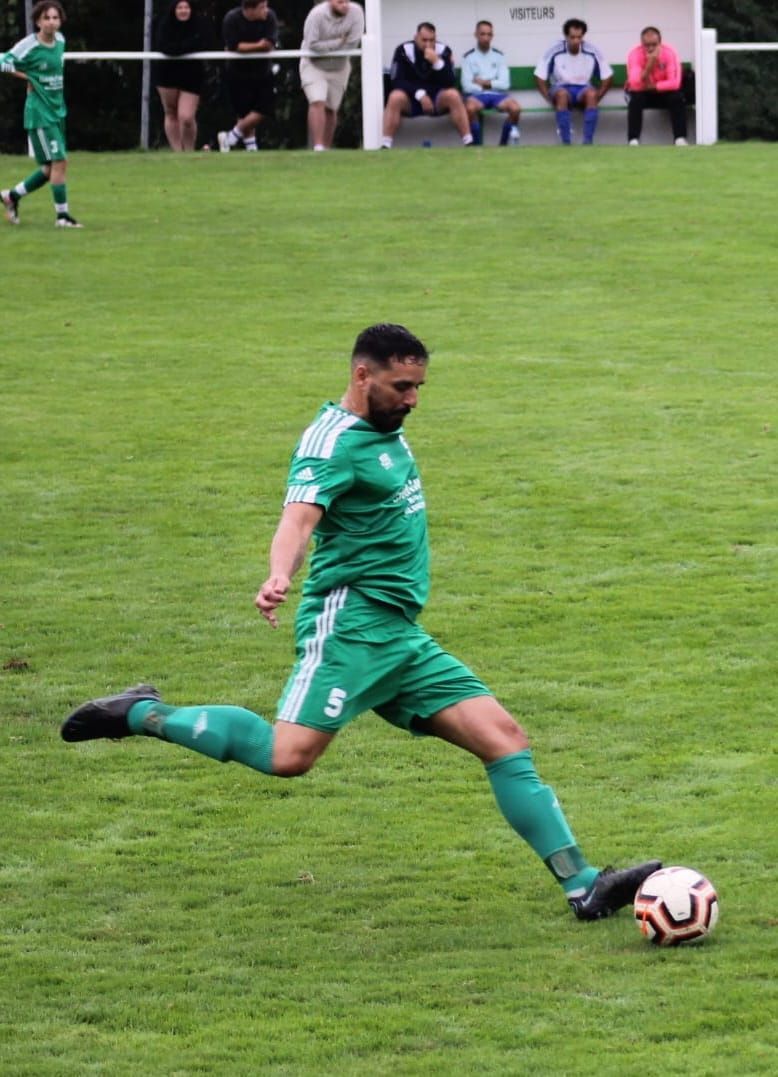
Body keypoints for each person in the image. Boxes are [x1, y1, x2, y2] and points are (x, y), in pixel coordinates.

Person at [62, 322, 661, 923]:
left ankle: (582, 885)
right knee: (288, 756)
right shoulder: (330, 443)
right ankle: (140, 713)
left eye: (419, 386)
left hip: (399, 634)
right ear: (362, 375)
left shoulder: (385, 428)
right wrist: (279, 576)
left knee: (504, 740)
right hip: (350, 626)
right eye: (402, 386)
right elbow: (298, 519)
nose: (413, 400)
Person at [1, 2, 81, 227]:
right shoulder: (29, 46)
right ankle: (63, 217)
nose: (51, 22)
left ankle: (11, 196)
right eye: (46, 18)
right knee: (60, 161)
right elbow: (2, 62)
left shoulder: (61, 40)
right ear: (38, 21)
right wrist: (26, 77)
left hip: (57, 110)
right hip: (39, 112)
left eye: (55, 18)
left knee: (49, 169)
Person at [381, 23, 473, 149]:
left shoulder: (443, 51)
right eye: (424, 40)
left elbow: (450, 82)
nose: (428, 44)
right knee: (395, 97)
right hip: (411, 98)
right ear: (416, 37)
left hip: (437, 98)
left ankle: (468, 142)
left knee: (453, 95)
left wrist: (437, 63)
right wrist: (420, 94)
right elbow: (397, 81)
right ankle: (386, 144)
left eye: (432, 40)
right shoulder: (403, 50)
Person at [534, 17, 612, 145]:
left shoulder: (592, 50)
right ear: (565, 36)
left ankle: (588, 142)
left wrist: (597, 97)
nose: (576, 41)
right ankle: (566, 143)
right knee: (562, 95)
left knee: (592, 94)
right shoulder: (555, 50)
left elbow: (607, 76)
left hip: (583, 89)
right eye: (572, 37)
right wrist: (548, 98)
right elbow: (539, 76)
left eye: (579, 37)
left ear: (583, 36)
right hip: (561, 88)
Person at [299, 0, 365, 152]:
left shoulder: (356, 13)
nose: (344, 4)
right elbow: (313, 45)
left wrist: (330, 46)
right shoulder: (317, 15)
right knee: (317, 101)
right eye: (339, 1)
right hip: (313, 65)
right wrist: (338, 42)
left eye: (346, 1)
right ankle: (318, 147)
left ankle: (326, 150)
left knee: (331, 109)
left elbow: (352, 44)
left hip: (339, 67)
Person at [218, 0, 278, 152]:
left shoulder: (270, 17)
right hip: (238, 72)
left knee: (265, 108)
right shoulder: (232, 19)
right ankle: (251, 148)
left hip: (263, 71)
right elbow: (234, 46)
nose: (266, 10)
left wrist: (246, 47)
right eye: (262, 7)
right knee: (244, 112)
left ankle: (230, 137)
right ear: (250, 10)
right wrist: (258, 46)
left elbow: (269, 44)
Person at [153, 0, 213, 152]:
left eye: (186, 7)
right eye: (180, 7)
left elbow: (202, 42)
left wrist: (179, 48)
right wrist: (186, 46)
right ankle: (177, 153)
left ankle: (189, 151)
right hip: (167, 74)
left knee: (186, 117)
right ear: (174, 9)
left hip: (192, 75)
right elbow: (164, 47)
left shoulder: (199, 25)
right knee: (171, 112)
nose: (183, 11)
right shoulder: (164, 24)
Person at [461, 20, 521, 147]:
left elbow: (505, 84)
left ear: (492, 36)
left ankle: (503, 145)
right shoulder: (468, 57)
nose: (486, 38)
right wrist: (490, 83)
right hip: (477, 95)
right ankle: (476, 147)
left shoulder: (499, 56)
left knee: (515, 109)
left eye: (489, 34)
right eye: (482, 34)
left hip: (496, 94)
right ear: (476, 35)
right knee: (470, 108)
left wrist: (485, 83)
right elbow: (466, 85)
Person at [625, 27, 688, 146]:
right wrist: (650, 64)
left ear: (660, 43)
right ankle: (633, 140)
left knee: (677, 97)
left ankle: (680, 138)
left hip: (663, 92)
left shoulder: (669, 53)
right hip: (643, 93)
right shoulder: (635, 54)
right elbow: (634, 84)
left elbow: (675, 83)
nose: (650, 48)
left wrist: (654, 86)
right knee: (636, 99)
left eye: (654, 44)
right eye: (646, 45)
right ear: (641, 44)